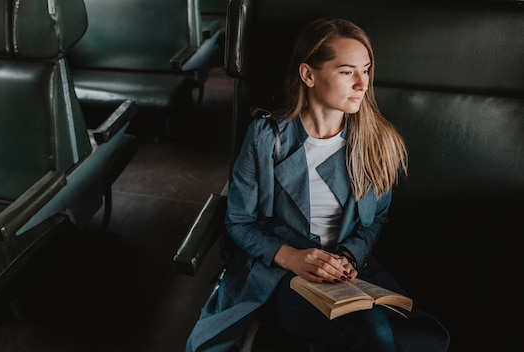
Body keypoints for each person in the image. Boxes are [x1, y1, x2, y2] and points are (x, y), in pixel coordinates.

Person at [185, 17, 450, 352]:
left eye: (366, 70)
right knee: (372, 333)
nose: (362, 84)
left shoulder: (377, 141)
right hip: (279, 272)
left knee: (403, 336)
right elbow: (239, 221)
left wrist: (348, 256)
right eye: (346, 71)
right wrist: (292, 258)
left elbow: (377, 219)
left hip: (347, 273)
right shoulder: (266, 139)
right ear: (308, 74)